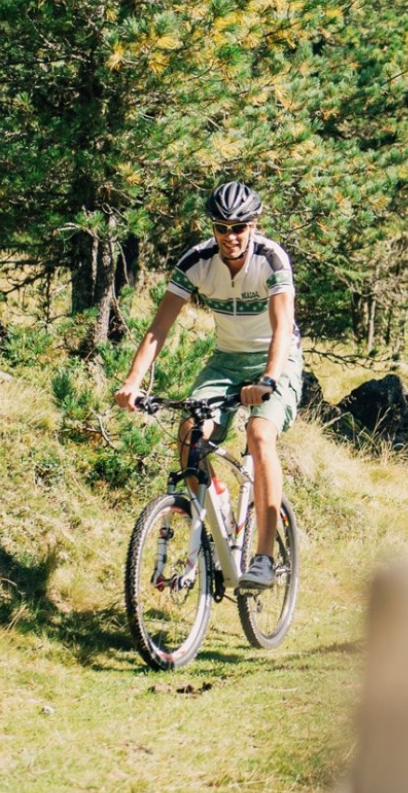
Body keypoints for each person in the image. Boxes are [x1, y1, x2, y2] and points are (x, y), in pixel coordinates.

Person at [114, 181, 303, 589]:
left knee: (259, 434)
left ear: (254, 225)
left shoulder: (271, 259)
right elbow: (157, 329)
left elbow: (283, 326)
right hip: (226, 360)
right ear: (213, 228)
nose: (230, 237)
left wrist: (269, 379)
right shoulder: (197, 262)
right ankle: (218, 515)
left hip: (277, 356)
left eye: (239, 228)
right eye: (221, 228)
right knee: (189, 434)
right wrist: (132, 382)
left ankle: (265, 558)